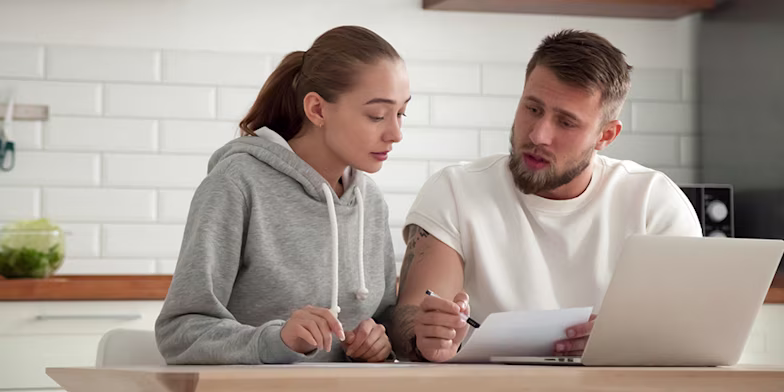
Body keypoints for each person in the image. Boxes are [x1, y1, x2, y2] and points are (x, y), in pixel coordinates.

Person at [390, 29, 702, 362]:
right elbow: (410, 312)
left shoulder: (654, 203)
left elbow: (693, 332)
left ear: (606, 135)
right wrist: (427, 338)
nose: (539, 135)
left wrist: (626, 341)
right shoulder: (455, 191)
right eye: (533, 109)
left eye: (566, 122)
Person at [155, 25, 411, 364]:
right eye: (377, 115)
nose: (396, 133)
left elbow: (380, 320)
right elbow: (179, 332)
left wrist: (378, 340)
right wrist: (277, 341)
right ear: (318, 110)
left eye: (401, 113)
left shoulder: (371, 202)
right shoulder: (237, 184)